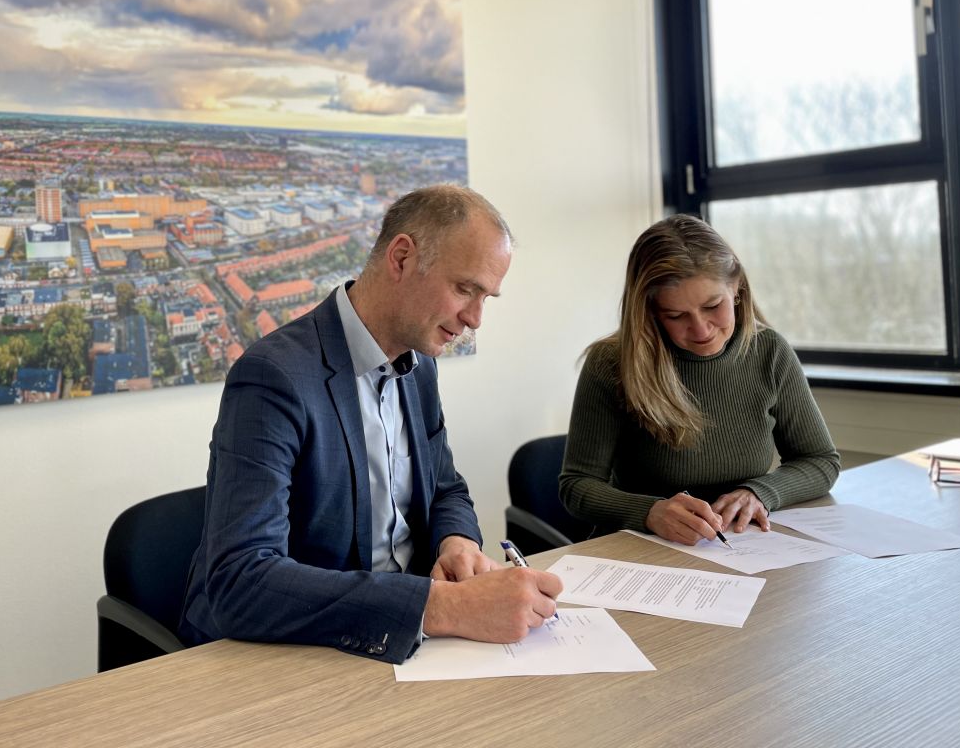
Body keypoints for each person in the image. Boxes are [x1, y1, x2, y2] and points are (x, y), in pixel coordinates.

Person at [180, 185, 562, 664]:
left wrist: (457, 541)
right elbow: (241, 581)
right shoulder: (274, 376)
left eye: (486, 296)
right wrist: (441, 606)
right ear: (401, 258)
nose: (475, 318)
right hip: (289, 657)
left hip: (404, 646)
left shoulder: (419, 365)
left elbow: (446, 488)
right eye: (465, 288)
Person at [559, 214, 840, 546]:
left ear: (736, 288)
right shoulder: (612, 363)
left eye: (712, 306)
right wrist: (650, 511)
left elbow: (821, 461)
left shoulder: (769, 351)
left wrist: (759, 493)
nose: (702, 330)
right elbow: (577, 485)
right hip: (642, 550)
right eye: (676, 316)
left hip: (742, 544)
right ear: (649, 311)